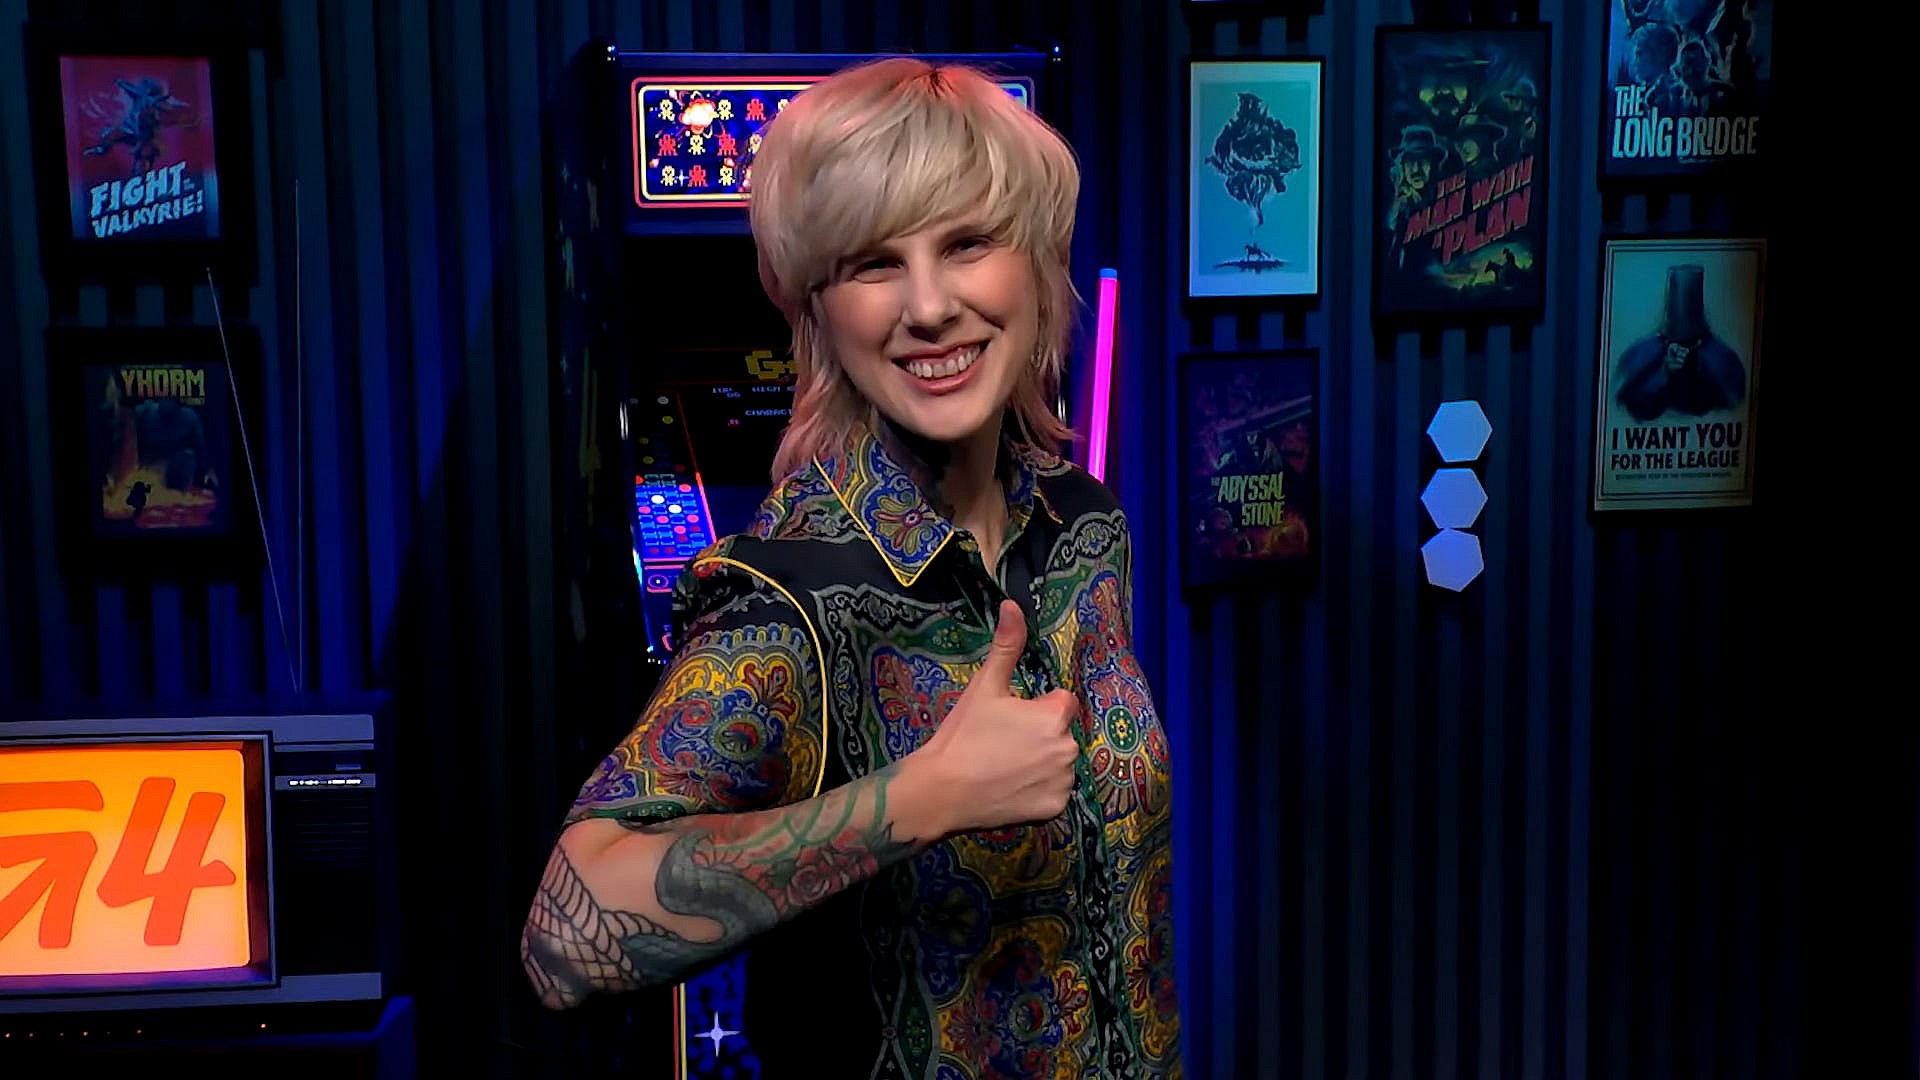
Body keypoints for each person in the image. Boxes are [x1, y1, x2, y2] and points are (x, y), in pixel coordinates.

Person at [520, 56, 1181, 1079]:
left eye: (967, 244)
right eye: (874, 263)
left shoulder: (1085, 528)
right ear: (818, 310)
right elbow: (563, 944)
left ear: (1036, 265)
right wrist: (922, 797)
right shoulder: (788, 593)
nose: (930, 306)